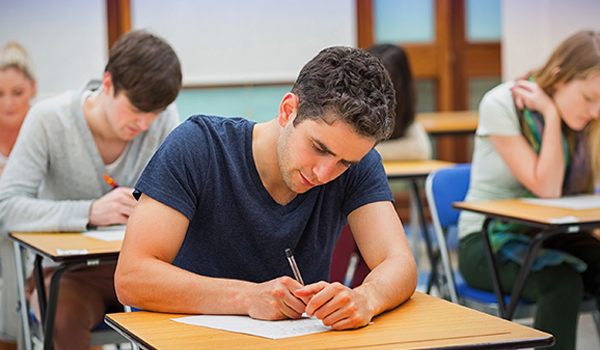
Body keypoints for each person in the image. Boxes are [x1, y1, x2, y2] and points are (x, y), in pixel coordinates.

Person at [114, 46, 417, 330]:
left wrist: (367, 297)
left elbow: (399, 262)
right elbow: (132, 277)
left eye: (344, 163)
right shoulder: (198, 147)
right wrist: (246, 298)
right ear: (288, 110)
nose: (324, 173)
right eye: (318, 147)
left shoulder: (358, 165)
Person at [0, 30, 181, 350]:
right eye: (137, 110)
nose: (145, 124)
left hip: (143, 268)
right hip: (67, 273)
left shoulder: (163, 118)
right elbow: (7, 207)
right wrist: (89, 212)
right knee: (64, 317)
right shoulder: (49, 119)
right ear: (108, 84)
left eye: (154, 114)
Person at [458, 30, 600, 350]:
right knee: (562, 283)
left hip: (551, 235)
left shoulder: (588, 122)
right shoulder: (502, 103)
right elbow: (547, 189)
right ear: (558, 77)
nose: (594, 111)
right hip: (487, 243)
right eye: (589, 98)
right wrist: (550, 115)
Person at [0, 41, 36, 350]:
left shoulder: (43, 130)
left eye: (17, 93)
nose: (7, 102)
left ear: (33, 89)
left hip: (36, 234)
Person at [368, 44, 431, 161]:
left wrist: (363, 153)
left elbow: (421, 150)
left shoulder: (401, 109)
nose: (376, 87)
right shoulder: (352, 103)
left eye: (385, 80)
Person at [0, 42, 36, 178]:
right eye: (0, 94)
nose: (8, 103)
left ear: (33, 86)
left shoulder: (47, 124)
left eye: (17, 92)